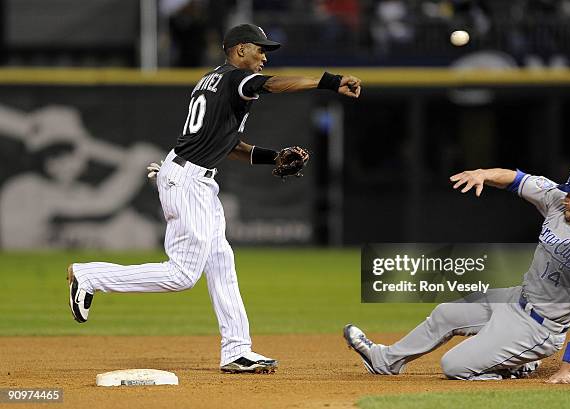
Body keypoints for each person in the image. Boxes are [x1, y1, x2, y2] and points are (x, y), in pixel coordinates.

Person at [68, 23, 362, 373]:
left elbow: (230, 146)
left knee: (221, 261)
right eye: (259, 48)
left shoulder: (215, 80)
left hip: (196, 179)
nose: (264, 56)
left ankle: (237, 350)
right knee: (181, 275)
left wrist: (273, 156)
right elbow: (273, 85)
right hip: (188, 180)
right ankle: (90, 277)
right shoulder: (238, 78)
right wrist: (330, 81)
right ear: (239, 50)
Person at [344, 168, 570, 383]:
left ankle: (514, 366)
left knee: (454, 366)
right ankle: (385, 361)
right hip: (516, 297)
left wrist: (568, 368)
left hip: (540, 327)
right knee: (445, 314)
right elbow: (517, 179)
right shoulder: (557, 202)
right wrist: (483, 174)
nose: (565, 196)